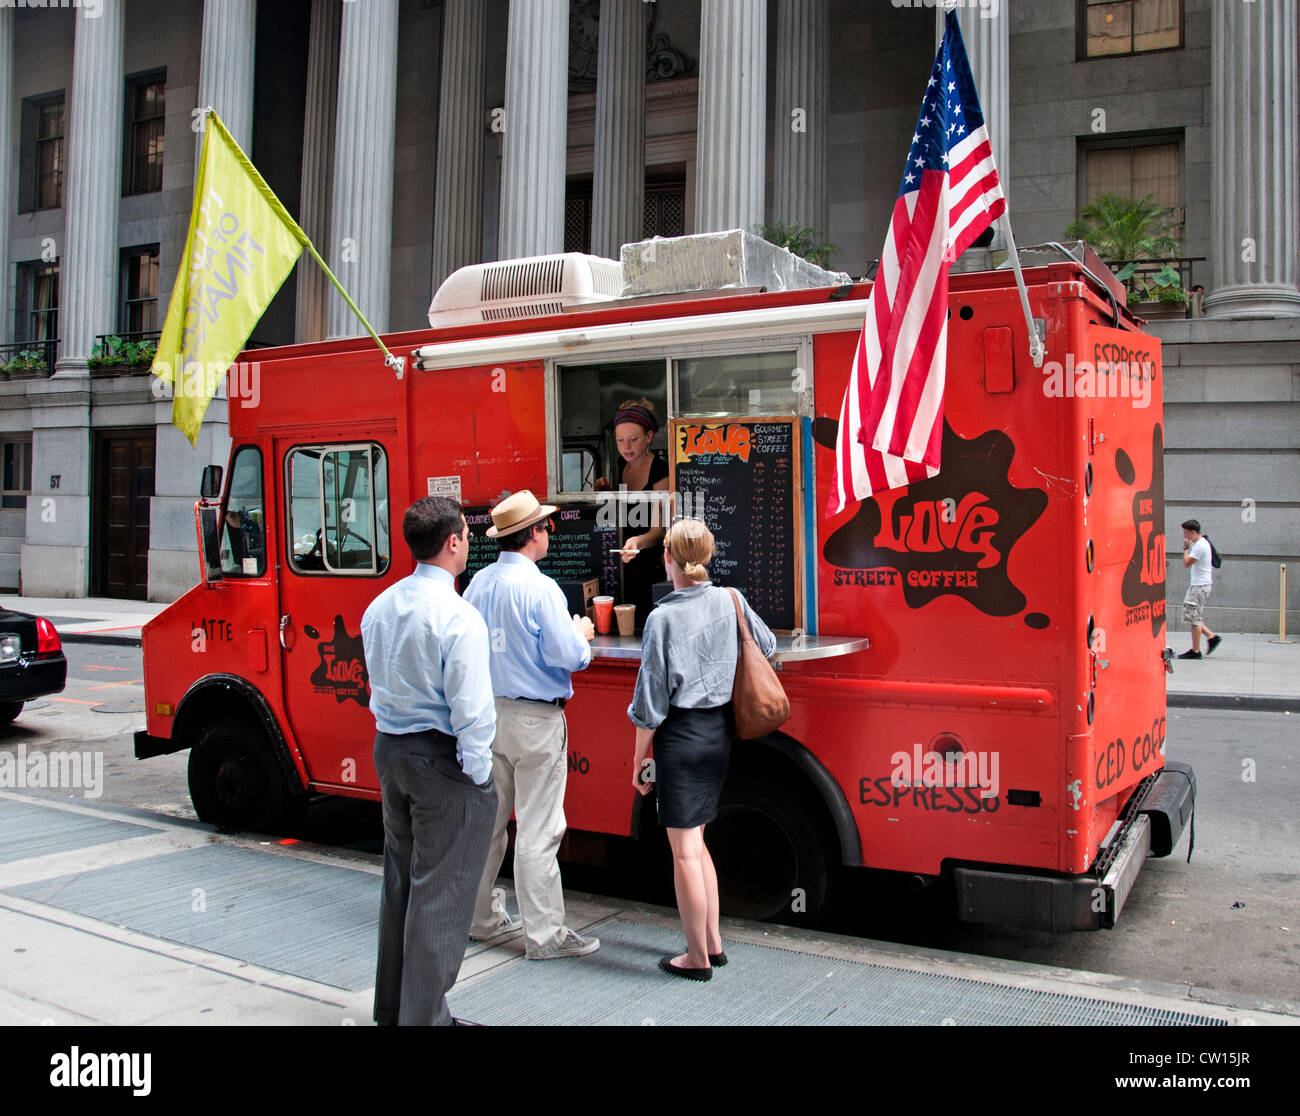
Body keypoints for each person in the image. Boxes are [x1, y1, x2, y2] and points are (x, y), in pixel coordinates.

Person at [361, 496, 498, 1026]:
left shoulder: (381, 604)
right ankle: (425, 1020)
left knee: (402, 881)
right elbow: (471, 710)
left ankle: (395, 1010)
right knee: (442, 893)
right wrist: (480, 776)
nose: (468, 540)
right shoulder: (458, 617)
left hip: (391, 750)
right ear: (453, 542)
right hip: (442, 760)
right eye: (466, 532)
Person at [627, 518, 776, 981]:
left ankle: (695, 958)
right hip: (720, 735)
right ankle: (713, 943)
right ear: (708, 556)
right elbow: (767, 647)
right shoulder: (732, 600)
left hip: (682, 738)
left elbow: (649, 703)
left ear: (667, 557)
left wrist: (638, 760)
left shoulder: (662, 617)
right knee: (699, 843)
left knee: (685, 851)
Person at [465, 489, 601, 960]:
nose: (550, 533)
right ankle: (544, 936)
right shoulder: (541, 588)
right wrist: (582, 635)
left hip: (489, 715)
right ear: (534, 535)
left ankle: (481, 919)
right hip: (536, 719)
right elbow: (567, 656)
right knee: (539, 829)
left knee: (489, 823)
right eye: (546, 527)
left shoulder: (478, 582)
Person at [600, 398, 670, 628]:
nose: (626, 446)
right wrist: (607, 494)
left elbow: (658, 531)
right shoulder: (622, 466)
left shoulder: (661, 472)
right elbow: (627, 509)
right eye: (620, 440)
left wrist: (638, 542)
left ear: (649, 437)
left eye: (633, 439)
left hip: (651, 563)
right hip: (624, 559)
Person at [1179, 519, 1221, 659]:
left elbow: (1186, 563)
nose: (1185, 536)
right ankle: (1211, 637)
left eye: (1186, 533)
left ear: (1193, 532)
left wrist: (1186, 548)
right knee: (1191, 615)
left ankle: (1196, 651)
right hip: (1199, 585)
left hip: (1199, 586)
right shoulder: (1201, 543)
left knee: (1194, 619)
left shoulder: (1200, 546)